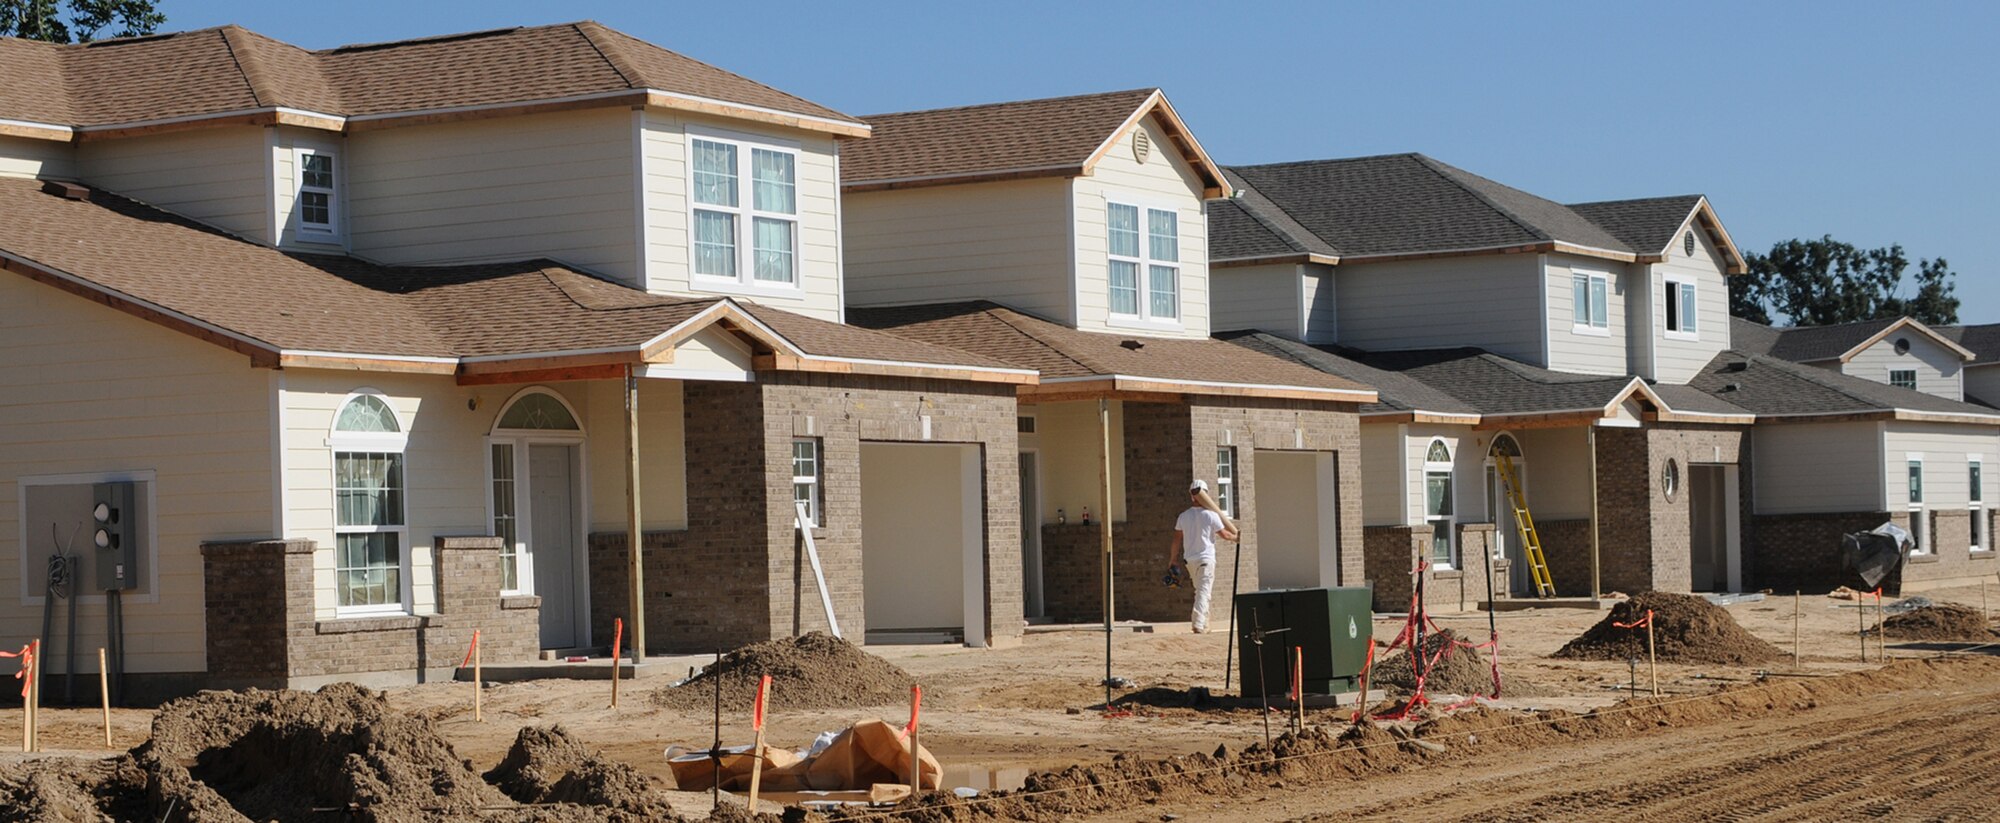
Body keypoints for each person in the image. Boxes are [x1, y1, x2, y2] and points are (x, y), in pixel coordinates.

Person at [1166, 480, 1238, 633]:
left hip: (1190, 560)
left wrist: (1172, 560)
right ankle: (1198, 624)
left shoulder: (1183, 516)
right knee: (1203, 592)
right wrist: (1236, 537)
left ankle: (1204, 624)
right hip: (1206, 559)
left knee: (1200, 590)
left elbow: (1176, 539)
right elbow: (1224, 534)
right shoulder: (1212, 515)